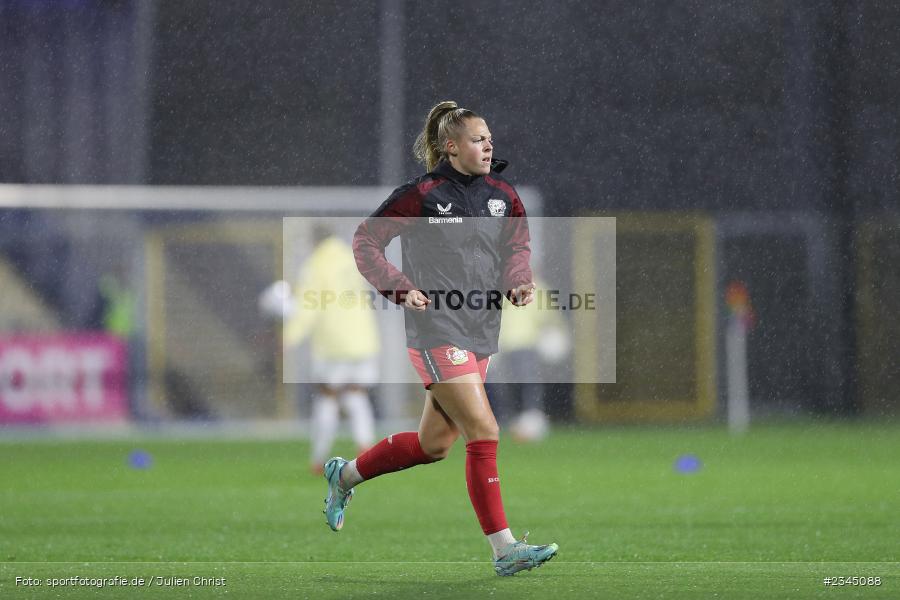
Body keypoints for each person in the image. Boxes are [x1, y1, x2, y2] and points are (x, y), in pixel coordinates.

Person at [322, 101, 558, 576]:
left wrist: (519, 279)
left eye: (490, 138)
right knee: (486, 430)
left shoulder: (503, 196)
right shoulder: (421, 195)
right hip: (436, 330)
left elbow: (517, 247)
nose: (488, 145)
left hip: (481, 330)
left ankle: (343, 475)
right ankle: (504, 549)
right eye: (477, 139)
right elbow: (366, 241)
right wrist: (400, 287)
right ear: (450, 147)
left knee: (433, 445)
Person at [273, 225, 379, 474]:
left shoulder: (316, 265)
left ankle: (318, 459)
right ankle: (366, 448)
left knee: (327, 397)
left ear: (315, 242)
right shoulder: (352, 260)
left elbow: (306, 309)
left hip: (333, 343)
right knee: (356, 394)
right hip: (364, 340)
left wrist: (288, 337)